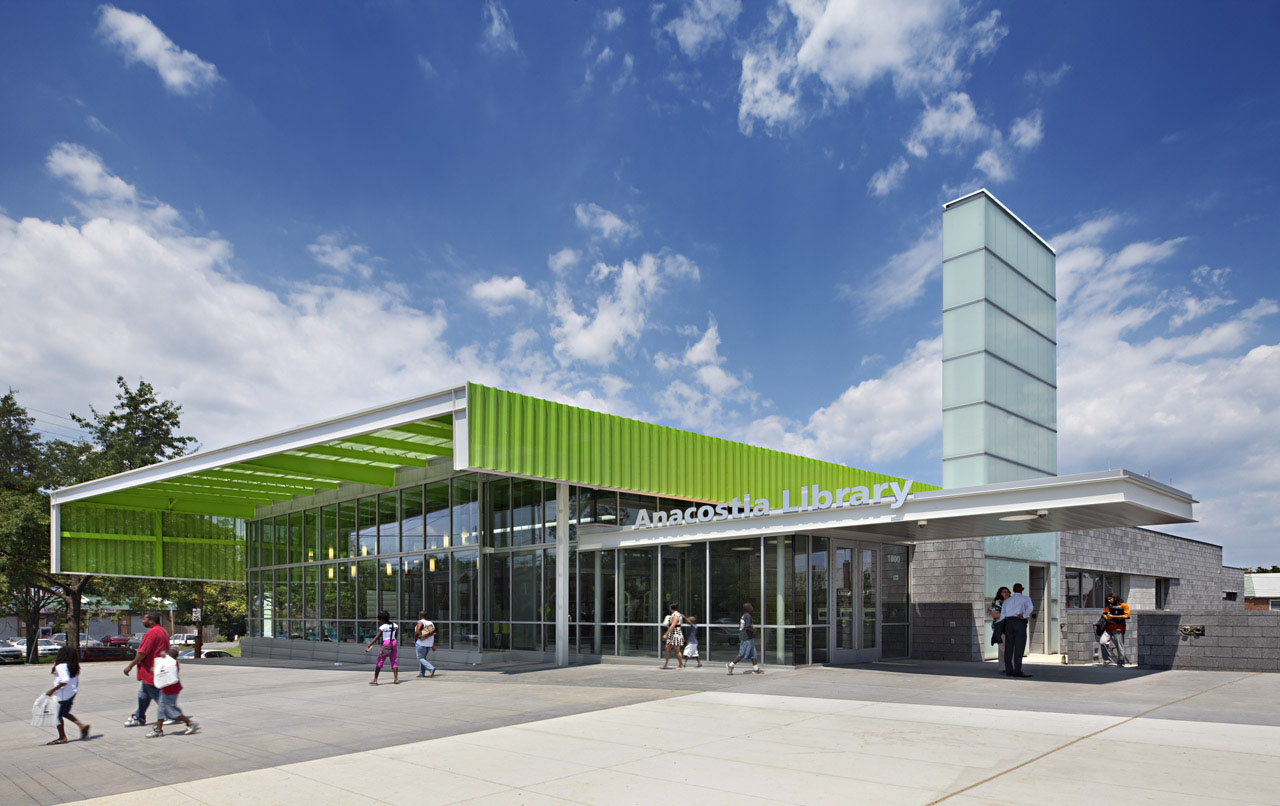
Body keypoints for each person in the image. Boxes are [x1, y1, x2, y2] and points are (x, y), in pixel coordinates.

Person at [122, 613, 170, 727]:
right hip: (159, 667)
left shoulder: (151, 633)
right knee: (144, 694)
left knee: (155, 694)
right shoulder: (163, 631)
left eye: (144, 619)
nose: (142, 621)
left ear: (151, 620)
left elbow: (142, 652)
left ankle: (172, 714)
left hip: (150, 669)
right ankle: (139, 717)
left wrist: (130, 665)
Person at [147, 649, 199, 738]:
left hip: (171, 691)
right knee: (161, 710)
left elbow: (165, 672)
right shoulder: (169, 663)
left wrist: (156, 670)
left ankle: (190, 723)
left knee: (172, 711)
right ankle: (158, 730)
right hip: (165, 690)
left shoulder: (173, 665)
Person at [45, 646, 89, 744]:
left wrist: (52, 690)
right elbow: (76, 681)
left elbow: (64, 680)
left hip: (62, 694)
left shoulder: (60, 666)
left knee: (57, 715)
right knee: (64, 713)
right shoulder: (74, 666)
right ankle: (82, 726)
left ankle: (62, 737)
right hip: (71, 693)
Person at [999, 583, 1034, 678]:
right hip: (1019, 622)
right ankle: (1017, 670)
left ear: (1013, 590)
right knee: (1019, 647)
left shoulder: (1007, 601)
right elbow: (1030, 607)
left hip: (1008, 623)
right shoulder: (1026, 598)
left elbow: (1002, 615)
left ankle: (1009, 670)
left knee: (1009, 647)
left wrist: (1001, 627)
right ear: (1021, 589)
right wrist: (1025, 615)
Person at [365, 610, 400, 685]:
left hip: (386, 643)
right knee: (393, 660)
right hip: (393, 642)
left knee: (380, 660)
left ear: (382, 619)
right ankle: (396, 679)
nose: (379, 621)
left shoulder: (382, 627)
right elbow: (396, 635)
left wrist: (369, 645)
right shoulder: (395, 625)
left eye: (379, 619)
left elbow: (377, 637)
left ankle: (375, 679)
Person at [726, 603, 760, 674]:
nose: (752, 607)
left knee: (753, 653)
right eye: (751, 606)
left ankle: (755, 669)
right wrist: (754, 630)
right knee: (742, 653)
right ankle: (731, 665)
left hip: (749, 637)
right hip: (746, 637)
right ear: (748, 608)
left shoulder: (744, 615)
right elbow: (747, 626)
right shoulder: (748, 616)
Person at [1100, 593, 1131, 667]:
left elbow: (1126, 616)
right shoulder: (1109, 606)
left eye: (1110, 599)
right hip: (1108, 628)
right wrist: (1106, 617)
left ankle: (1121, 662)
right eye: (1108, 599)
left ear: (1115, 598)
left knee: (1119, 646)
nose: (1109, 601)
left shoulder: (1124, 605)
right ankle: (1107, 660)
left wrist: (1113, 616)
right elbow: (1104, 613)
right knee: (1102, 642)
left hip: (1118, 628)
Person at [990, 586, 1011, 672]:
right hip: (1000, 627)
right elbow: (995, 615)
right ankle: (1004, 667)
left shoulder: (1012, 602)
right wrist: (1009, 613)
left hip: (1010, 627)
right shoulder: (997, 602)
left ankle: (1008, 665)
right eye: (1004, 592)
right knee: (1003, 647)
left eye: (1007, 592)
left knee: (1009, 647)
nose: (1006, 593)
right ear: (1000, 593)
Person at [660, 602, 685, 670]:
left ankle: (681, 665)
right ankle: (665, 664)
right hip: (675, 632)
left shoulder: (675, 615)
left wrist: (666, 634)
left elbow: (673, 625)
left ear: (671, 608)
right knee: (667, 648)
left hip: (675, 633)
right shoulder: (679, 615)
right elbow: (681, 624)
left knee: (677, 650)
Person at [414, 610, 436, 678]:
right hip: (428, 644)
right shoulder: (430, 623)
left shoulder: (420, 622)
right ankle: (421, 673)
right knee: (423, 658)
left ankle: (431, 668)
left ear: (420, 615)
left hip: (421, 643)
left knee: (420, 658)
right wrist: (432, 645)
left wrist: (415, 640)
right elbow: (432, 634)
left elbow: (417, 632)